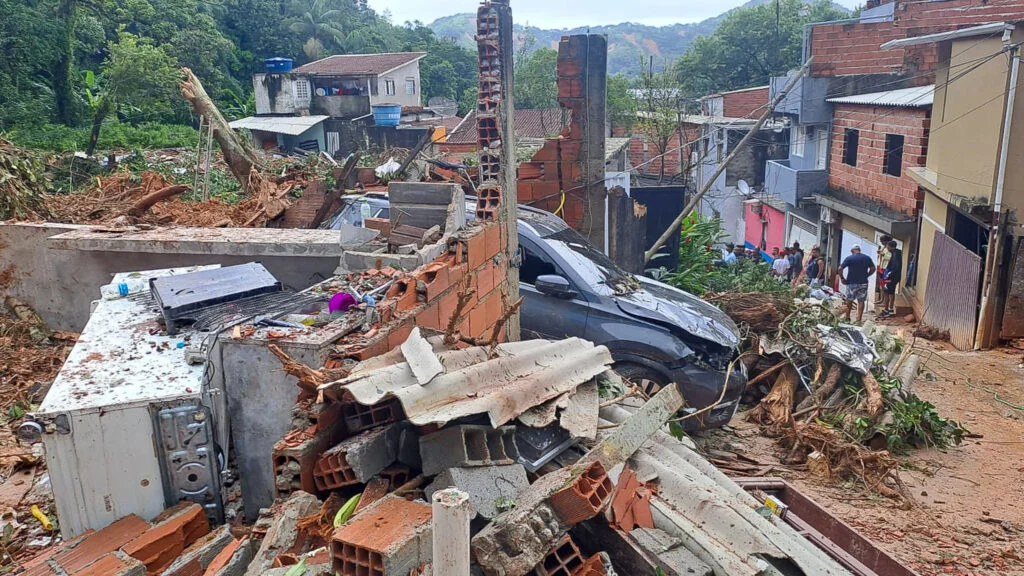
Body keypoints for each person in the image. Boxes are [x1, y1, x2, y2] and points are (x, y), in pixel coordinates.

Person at [839, 244, 876, 323]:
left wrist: (842, 278)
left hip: (851, 283)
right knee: (861, 301)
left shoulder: (849, 258)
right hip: (863, 283)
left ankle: (847, 317)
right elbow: (873, 268)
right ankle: (859, 319)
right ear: (859, 250)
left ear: (852, 251)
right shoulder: (867, 258)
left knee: (849, 300)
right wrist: (867, 275)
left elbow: (840, 268)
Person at [879, 240, 903, 317]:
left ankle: (888, 310)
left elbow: (895, 267)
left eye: (887, 246)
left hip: (892, 277)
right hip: (893, 276)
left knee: (888, 292)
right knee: (889, 291)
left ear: (890, 246)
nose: (886, 247)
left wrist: (888, 275)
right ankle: (888, 309)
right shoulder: (895, 253)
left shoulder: (896, 254)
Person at [876, 235, 893, 306]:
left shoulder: (890, 248)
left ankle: (885, 302)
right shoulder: (884, 247)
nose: (881, 243)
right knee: (881, 284)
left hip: (885, 268)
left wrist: (883, 255)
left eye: (882, 241)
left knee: (884, 285)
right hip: (881, 267)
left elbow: (891, 257)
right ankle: (881, 299)